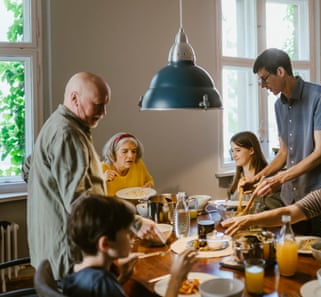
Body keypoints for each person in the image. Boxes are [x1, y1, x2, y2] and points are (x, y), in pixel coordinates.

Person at [24, 72, 160, 280]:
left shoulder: (58, 125)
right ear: (74, 98)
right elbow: (82, 204)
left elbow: (28, 168)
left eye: (106, 105)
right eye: (98, 105)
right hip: (67, 251)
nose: (104, 112)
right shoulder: (67, 134)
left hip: (52, 250)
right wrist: (134, 222)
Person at [245, 48, 321, 235]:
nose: (262, 85)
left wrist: (279, 178)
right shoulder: (278, 106)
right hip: (292, 197)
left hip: (320, 195)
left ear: (280, 72)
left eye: (264, 78)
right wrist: (258, 178)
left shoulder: (318, 96)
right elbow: (283, 154)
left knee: (320, 252)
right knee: (295, 251)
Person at [63, 194, 197, 297]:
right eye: (128, 233)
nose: (132, 239)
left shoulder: (76, 271)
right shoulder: (103, 283)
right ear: (105, 244)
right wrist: (176, 278)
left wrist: (122, 278)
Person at [229, 131, 283, 211]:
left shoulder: (268, 180)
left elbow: (277, 208)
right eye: (232, 151)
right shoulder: (239, 178)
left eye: (238, 150)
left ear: (251, 150)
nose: (233, 155)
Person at [102, 132, 155, 196]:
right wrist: (101, 180)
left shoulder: (138, 164)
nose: (131, 156)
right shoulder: (101, 169)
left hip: (135, 205)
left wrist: (149, 185)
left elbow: (149, 180)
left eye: (134, 151)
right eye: (124, 151)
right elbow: (90, 197)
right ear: (113, 153)